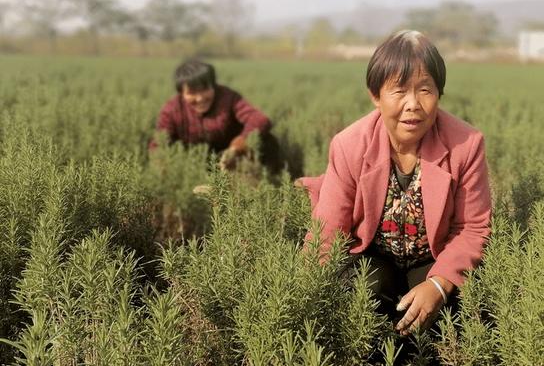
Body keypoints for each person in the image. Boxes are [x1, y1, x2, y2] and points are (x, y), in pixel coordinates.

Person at [297, 30, 492, 336]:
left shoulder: (465, 144)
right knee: (360, 296)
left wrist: (439, 285)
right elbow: (329, 226)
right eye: (399, 91)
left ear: (439, 93)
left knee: (452, 313)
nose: (413, 104)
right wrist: (303, 292)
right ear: (376, 96)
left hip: (434, 256)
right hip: (375, 256)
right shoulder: (350, 145)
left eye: (425, 90)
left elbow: (473, 227)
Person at [150, 59, 281, 174]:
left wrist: (238, 145)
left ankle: (268, 180)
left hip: (232, 158)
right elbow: (158, 144)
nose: (200, 98)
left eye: (204, 89)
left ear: (213, 85)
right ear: (181, 93)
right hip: (196, 162)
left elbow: (259, 119)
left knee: (266, 140)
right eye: (192, 93)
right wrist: (162, 168)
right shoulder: (172, 109)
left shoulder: (228, 97)